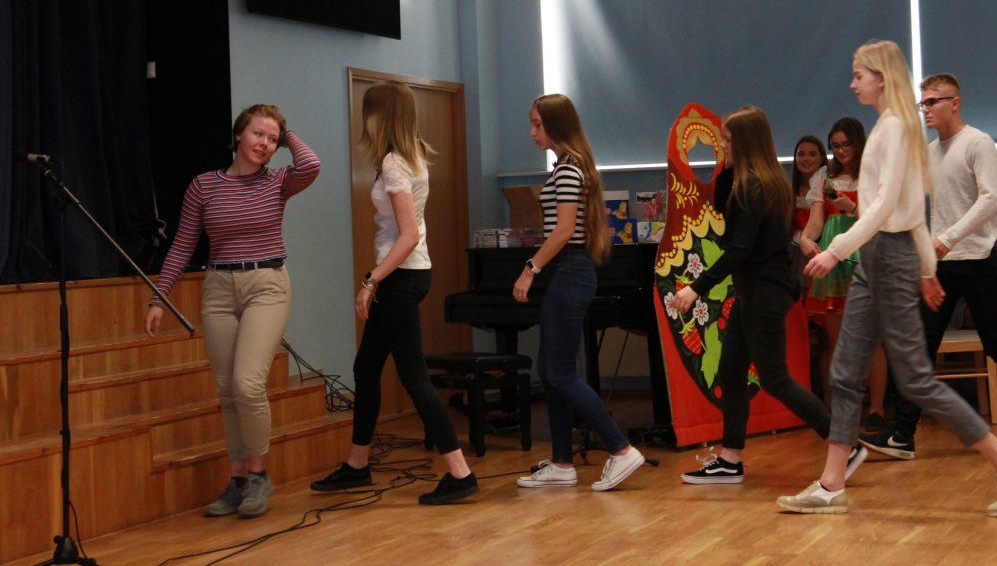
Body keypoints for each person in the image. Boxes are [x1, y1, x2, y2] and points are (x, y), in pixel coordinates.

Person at [778, 41, 997, 517]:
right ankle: (832, 483)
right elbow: (914, 211)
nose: (853, 83)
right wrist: (926, 268)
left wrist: (836, 251)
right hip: (881, 258)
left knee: (915, 379)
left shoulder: (897, 128)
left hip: (887, 256)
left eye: (859, 75)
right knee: (846, 371)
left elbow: (885, 208)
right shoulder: (890, 127)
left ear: (881, 78)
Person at [863, 73, 997, 459]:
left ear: (955, 103)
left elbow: (991, 199)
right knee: (920, 346)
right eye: (922, 103)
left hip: (977, 261)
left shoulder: (978, 142)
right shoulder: (930, 152)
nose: (925, 109)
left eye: (932, 101)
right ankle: (902, 434)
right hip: (943, 263)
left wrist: (949, 237)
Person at [669, 108, 865, 485]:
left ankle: (846, 444)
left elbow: (739, 248)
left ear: (745, 142)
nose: (722, 145)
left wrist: (696, 288)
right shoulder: (755, 180)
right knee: (731, 371)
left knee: (775, 379)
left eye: (728, 140)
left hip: (764, 292)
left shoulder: (755, 186)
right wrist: (726, 168)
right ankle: (730, 459)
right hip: (754, 290)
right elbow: (723, 208)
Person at [145, 104, 320, 518]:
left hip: (267, 285)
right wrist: (159, 297)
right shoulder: (204, 186)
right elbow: (183, 244)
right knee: (226, 391)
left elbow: (311, 165)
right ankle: (238, 480)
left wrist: (287, 133)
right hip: (219, 289)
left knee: (247, 384)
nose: (265, 144)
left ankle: (259, 476)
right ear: (238, 134)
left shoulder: (278, 181)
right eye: (258, 134)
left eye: (272, 139)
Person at [310, 82, 477, 505]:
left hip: (400, 275)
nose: (363, 121)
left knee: (413, 376)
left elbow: (407, 235)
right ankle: (357, 465)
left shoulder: (393, 163)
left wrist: (372, 281)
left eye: (367, 113)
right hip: (410, 273)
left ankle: (460, 473)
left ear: (379, 116)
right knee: (367, 367)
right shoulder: (413, 153)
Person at [513, 94, 645, 491]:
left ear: (556, 124)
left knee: (559, 372)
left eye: (537, 124)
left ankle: (621, 449)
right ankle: (561, 462)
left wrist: (530, 269)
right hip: (567, 271)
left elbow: (565, 230)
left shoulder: (569, 168)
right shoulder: (565, 166)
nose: (532, 132)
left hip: (570, 270)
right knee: (551, 370)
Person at [798, 118, 887, 430]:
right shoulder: (824, 177)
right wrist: (806, 239)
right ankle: (841, 408)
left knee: (870, 339)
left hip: (865, 256)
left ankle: (876, 409)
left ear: (858, 143)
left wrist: (851, 208)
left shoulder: (874, 174)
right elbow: (816, 220)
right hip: (833, 261)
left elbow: (881, 221)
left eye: (845, 144)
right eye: (835, 146)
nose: (840, 151)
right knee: (836, 340)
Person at [788, 134, 827, 294]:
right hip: (793, 252)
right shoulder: (789, 190)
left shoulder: (829, 186)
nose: (806, 159)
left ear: (822, 157)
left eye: (812, 154)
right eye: (801, 154)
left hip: (822, 249)